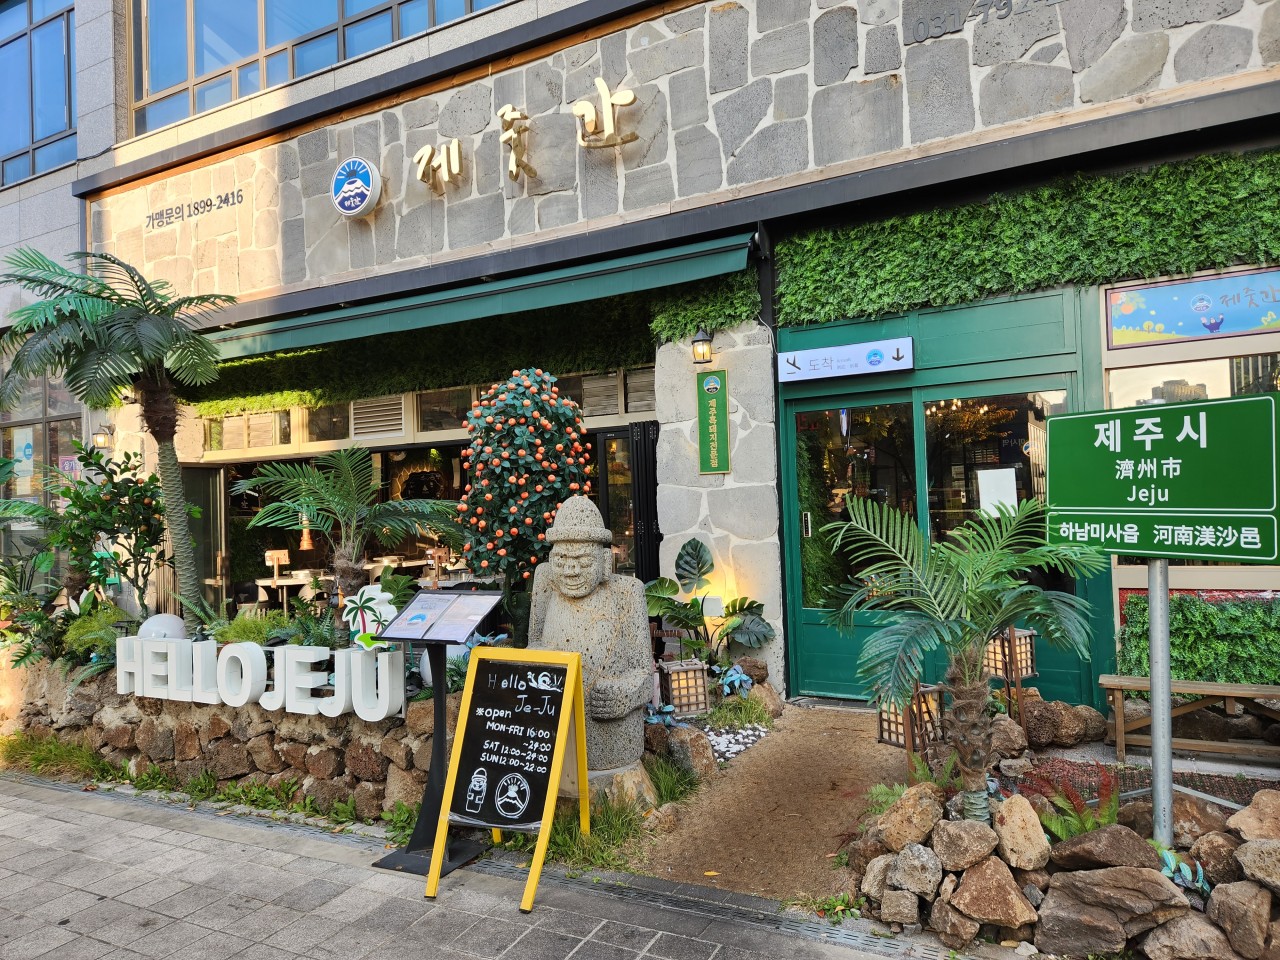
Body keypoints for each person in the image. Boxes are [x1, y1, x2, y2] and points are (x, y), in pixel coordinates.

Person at [527, 496, 652, 771]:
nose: (570, 571)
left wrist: (625, 695)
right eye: (561, 559)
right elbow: (533, 645)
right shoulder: (546, 581)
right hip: (556, 730)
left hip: (612, 742)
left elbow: (644, 672)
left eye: (583, 561)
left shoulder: (627, 593)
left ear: (605, 561)